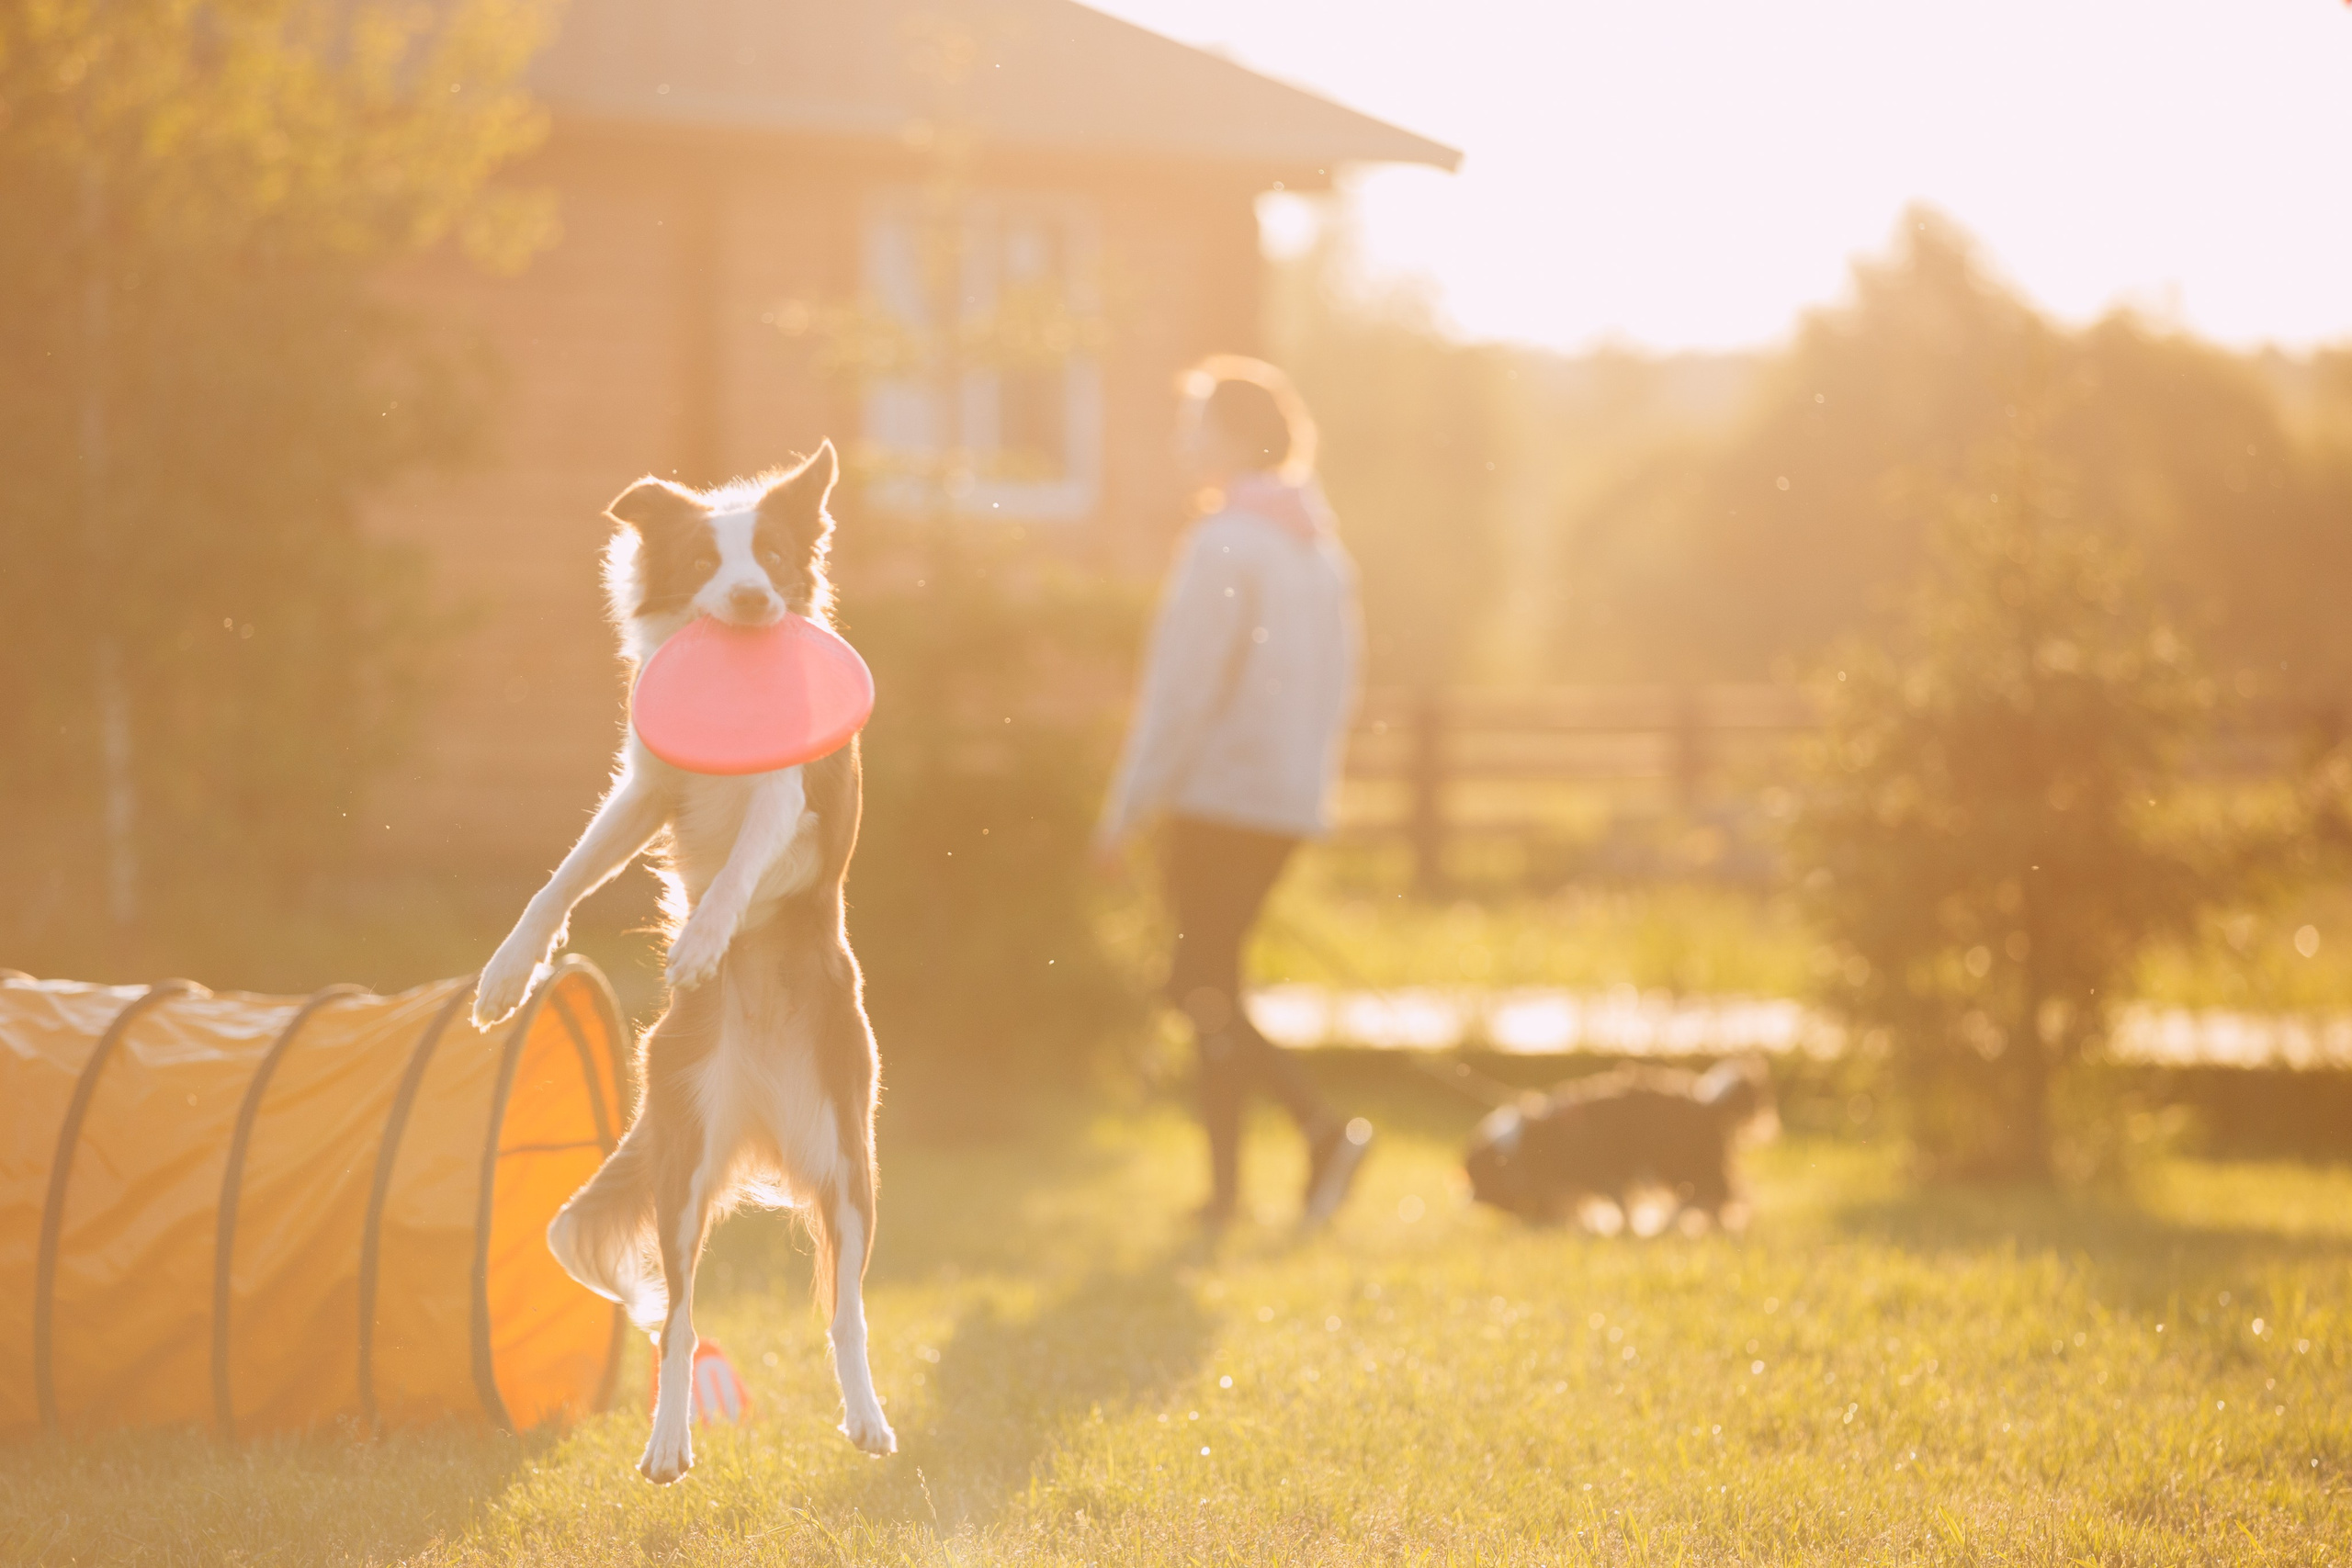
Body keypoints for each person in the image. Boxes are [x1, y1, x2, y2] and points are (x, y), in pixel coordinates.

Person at [1095, 355, 1372, 1231]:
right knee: (1212, 981)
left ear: (1233, 438)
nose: (1183, 441)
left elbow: (1180, 693)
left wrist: (1126, 810)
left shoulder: (1224, 543)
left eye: (1195, 424)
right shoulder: (1319, 552)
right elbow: (1343, 682)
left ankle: (1318, 1130)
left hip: (1216, 798)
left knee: (1198, 983)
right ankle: (1233, 1188)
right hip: (1287, 799)